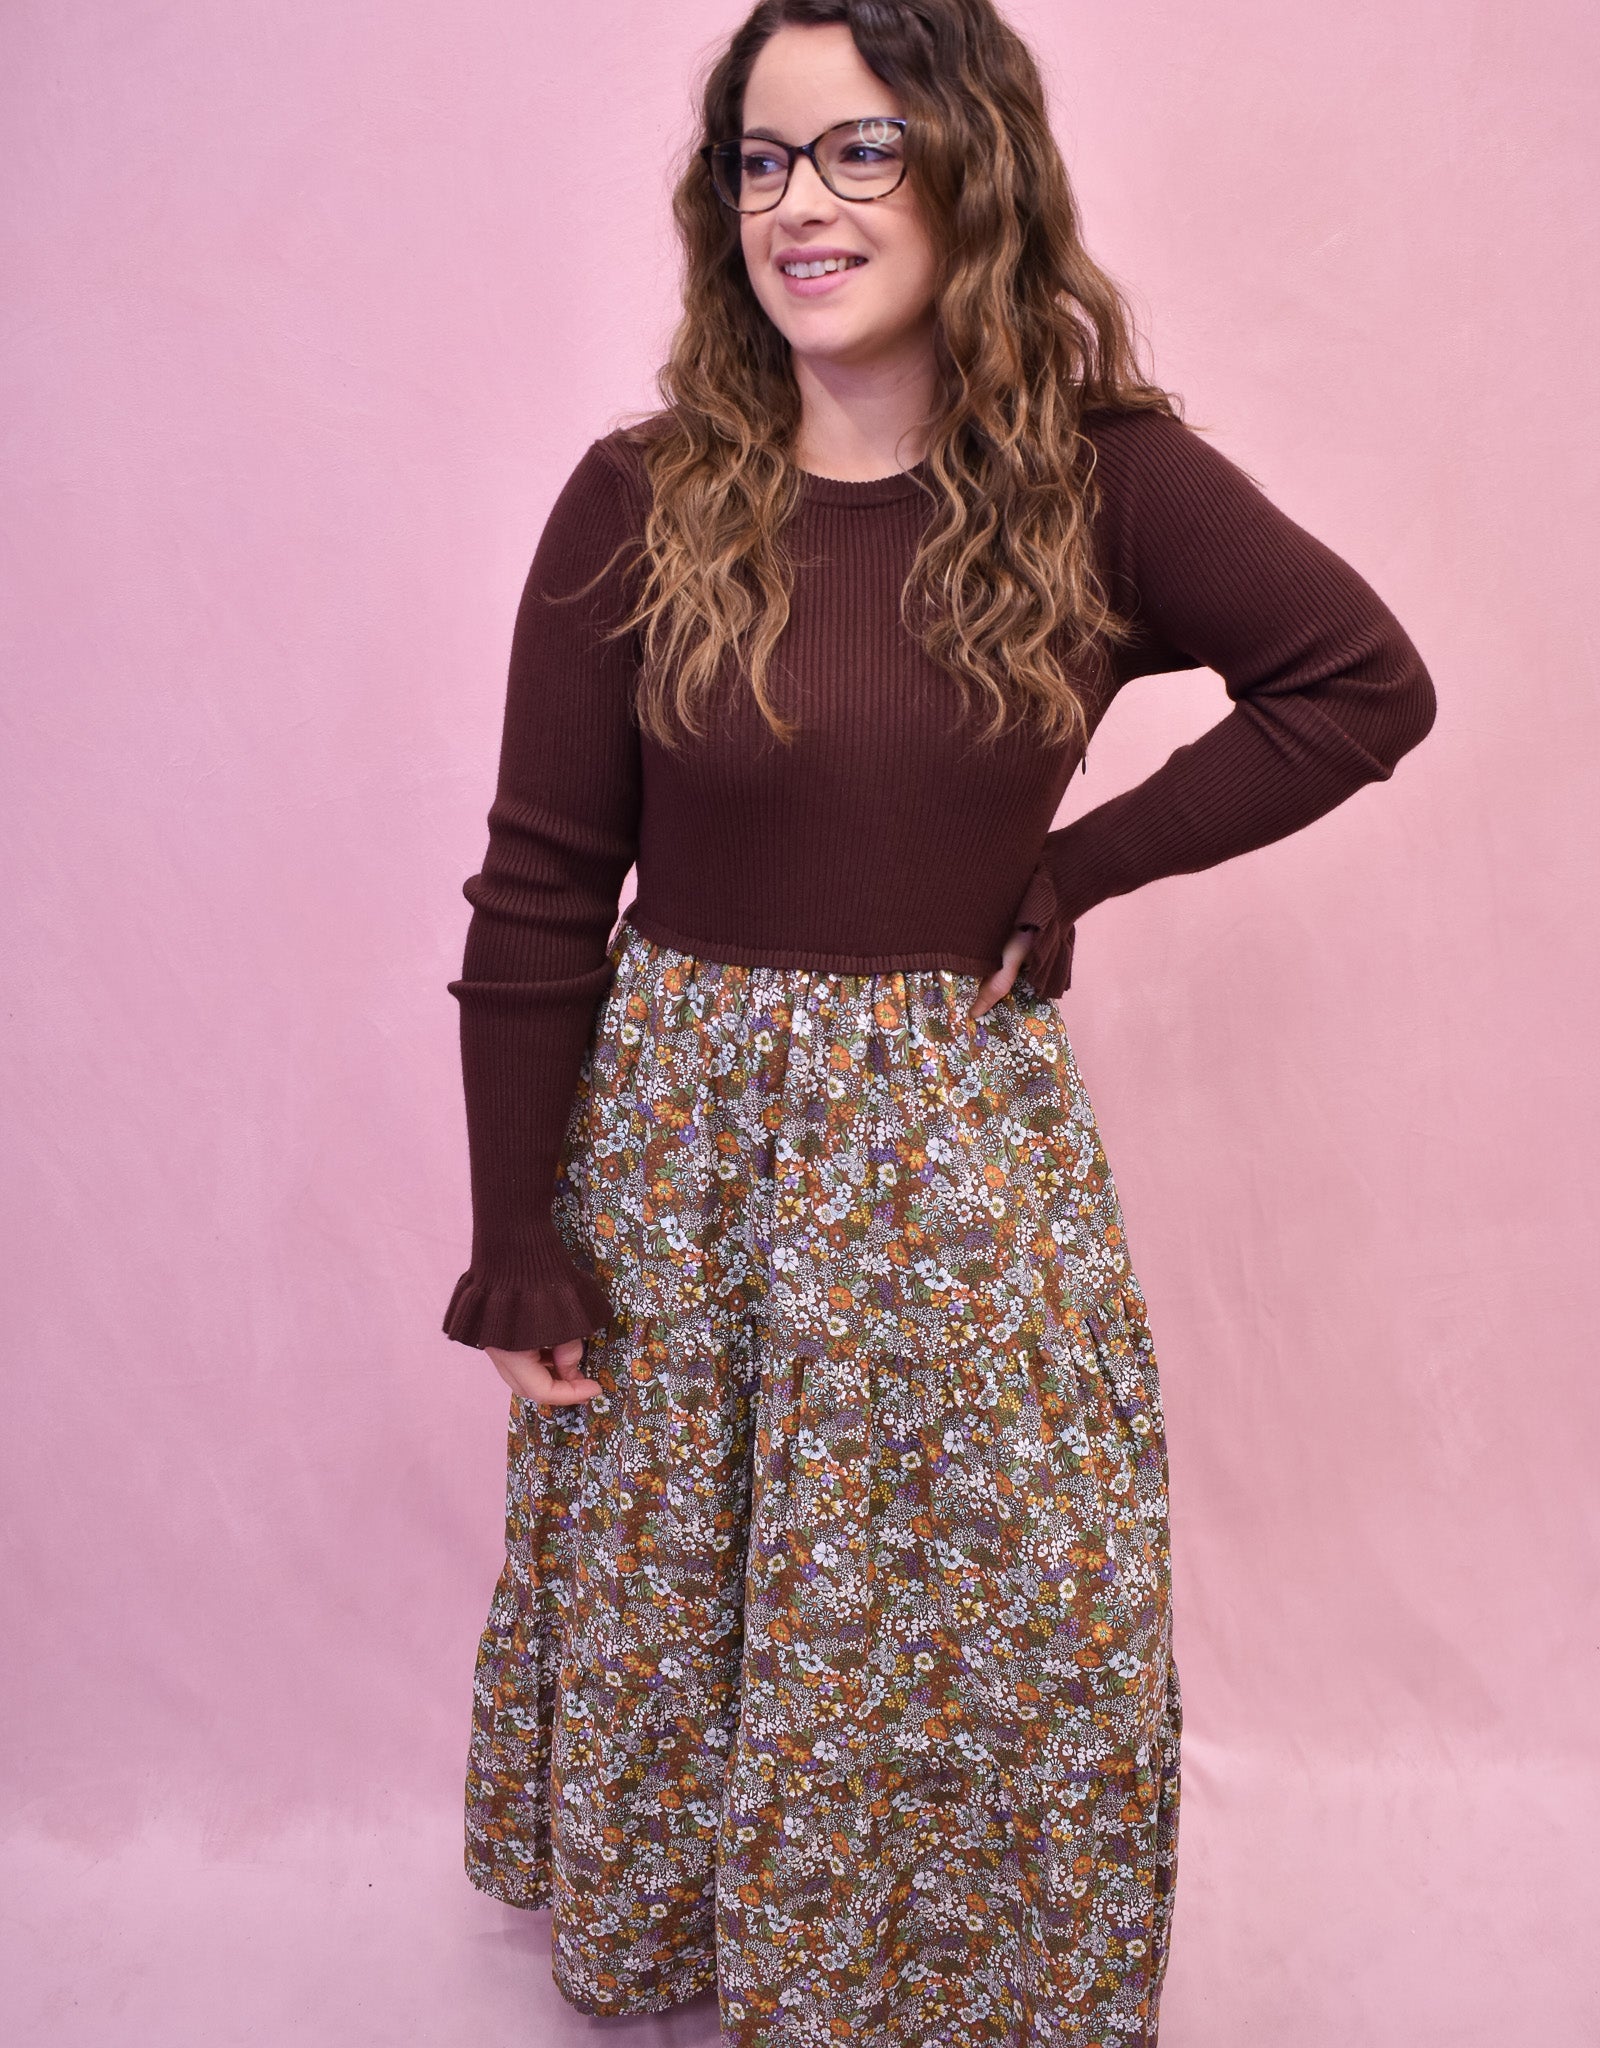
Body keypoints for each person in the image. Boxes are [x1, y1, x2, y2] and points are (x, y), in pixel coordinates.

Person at [440, 1, 1436, 2040]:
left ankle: (951, 1982)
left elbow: (1360, 686)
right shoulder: (637, 500)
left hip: (957, 1166)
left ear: (977, 169)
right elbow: (541, 884)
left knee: (994, 1589)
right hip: (680, 1163)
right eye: (760, 161)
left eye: (860, 150)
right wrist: (515, 1228)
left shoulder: (1102, 483)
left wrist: (1080, 866)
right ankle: (721, 1965)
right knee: (684, 1589)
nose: (798, 205)